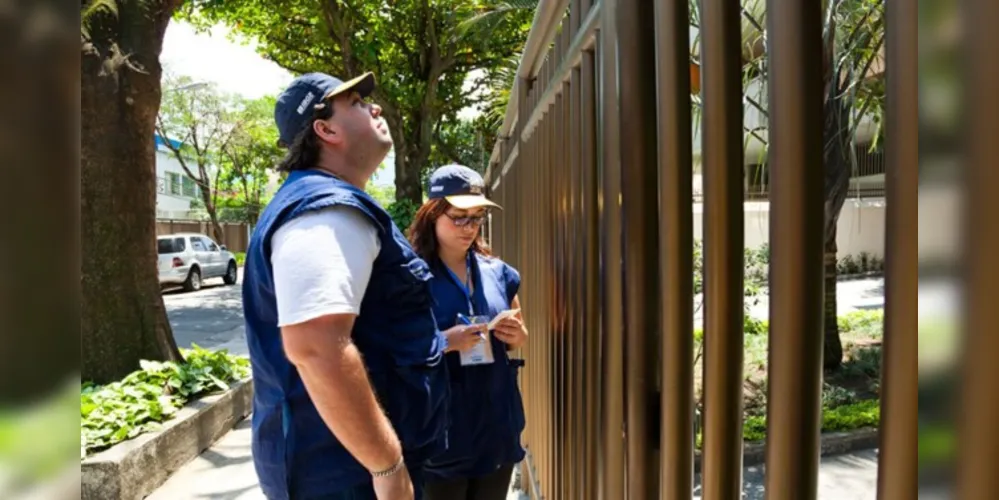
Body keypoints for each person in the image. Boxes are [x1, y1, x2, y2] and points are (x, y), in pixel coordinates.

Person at [241, 73, 484, 500]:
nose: (375, 108)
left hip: (346, 466)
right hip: (347, 474)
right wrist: (387, 465)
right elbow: (315, 346)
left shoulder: (327, 203)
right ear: (325, 129)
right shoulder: (325, 210)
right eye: (354, 102)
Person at [406, 164, 530, 500]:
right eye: (459, 216)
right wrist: (446, 341)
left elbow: (521, 335)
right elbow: (395, 348)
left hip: (494, 424)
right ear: (433, 215)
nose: (469, 227)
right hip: (441, 429)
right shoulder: (411, 278)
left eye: (476, 218)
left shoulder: (497, 272)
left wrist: (515, 335)